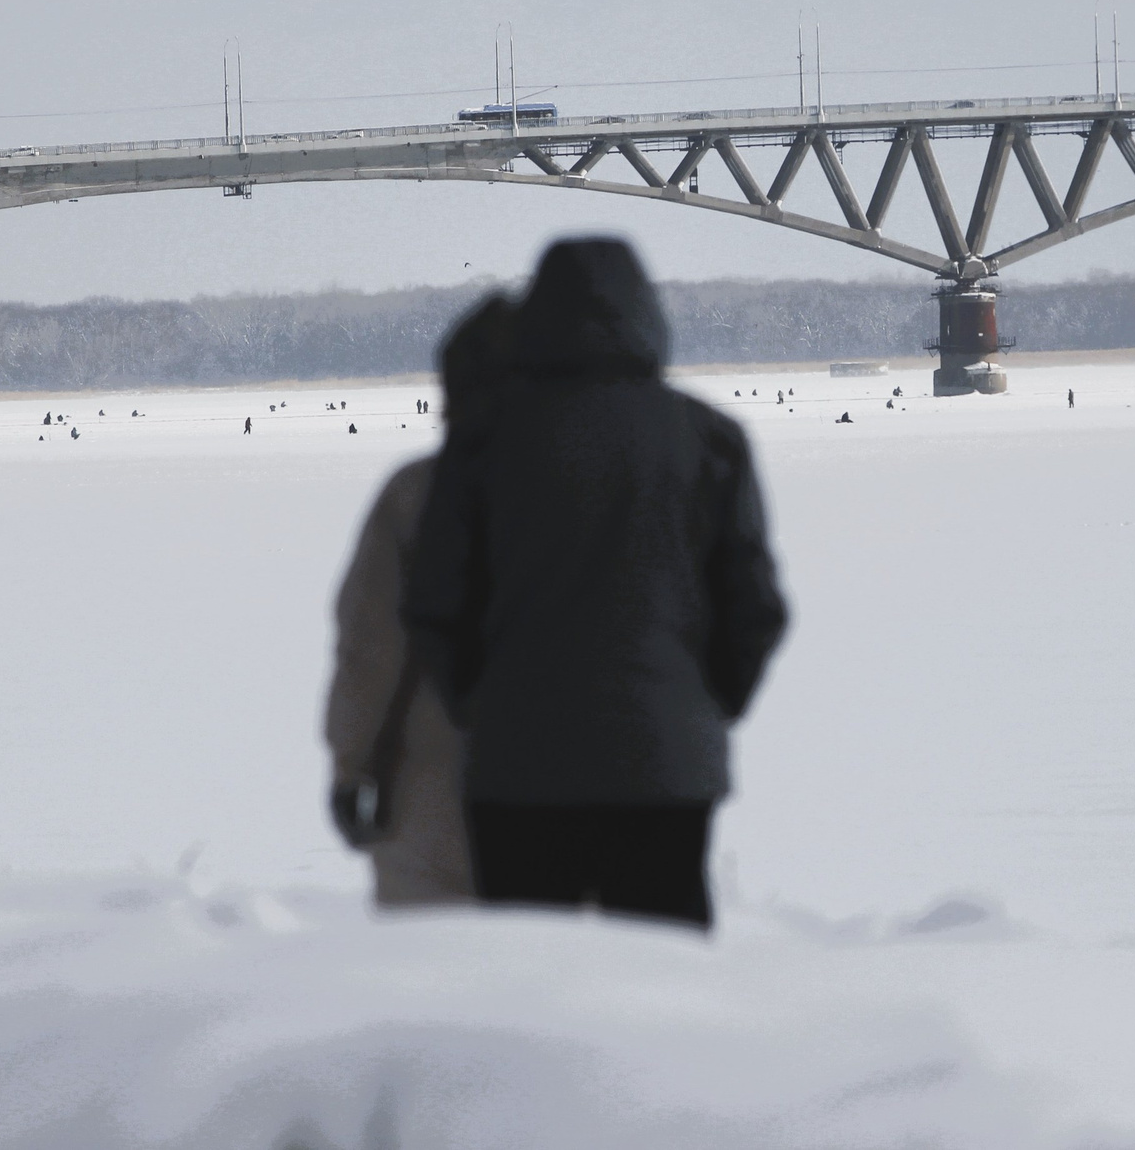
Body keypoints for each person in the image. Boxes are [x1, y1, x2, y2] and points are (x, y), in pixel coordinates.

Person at [405, 238, 787, 931]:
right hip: (665, 767)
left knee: (532, 975)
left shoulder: (485, 441)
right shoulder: (710, 439)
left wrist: (479, 705)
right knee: (660, 975)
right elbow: (753, 608)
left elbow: (435, 600)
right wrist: (699, 708)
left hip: (518, 767)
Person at [323, 294, 516, 907]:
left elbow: (370, 648)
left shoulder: (417, 494)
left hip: (435, 781)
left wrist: (352, 767)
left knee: (434, 958)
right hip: (592, 786)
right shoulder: (611, 488)